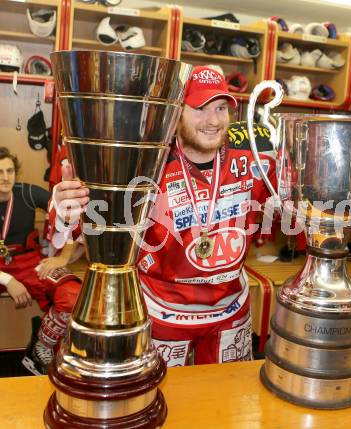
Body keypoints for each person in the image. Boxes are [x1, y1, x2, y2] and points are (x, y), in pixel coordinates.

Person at [52, 66, 276, 367]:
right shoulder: (146, 161)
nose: (213, 120)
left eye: (221, 108)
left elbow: (288, 214)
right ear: (176, 112)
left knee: (229, 403)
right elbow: (90, 232)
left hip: (231, 309)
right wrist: (66, 209)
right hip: (162, 311)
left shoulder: (255, 159)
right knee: (165, 401)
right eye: (199, 108)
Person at [0, 147, 82, 375]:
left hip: (29, 265)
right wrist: (8, 280)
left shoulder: (26, 193)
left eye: (9, 171)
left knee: (74, 296)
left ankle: (41, 347)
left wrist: (63, 257)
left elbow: (70, 213)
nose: (5, 177)